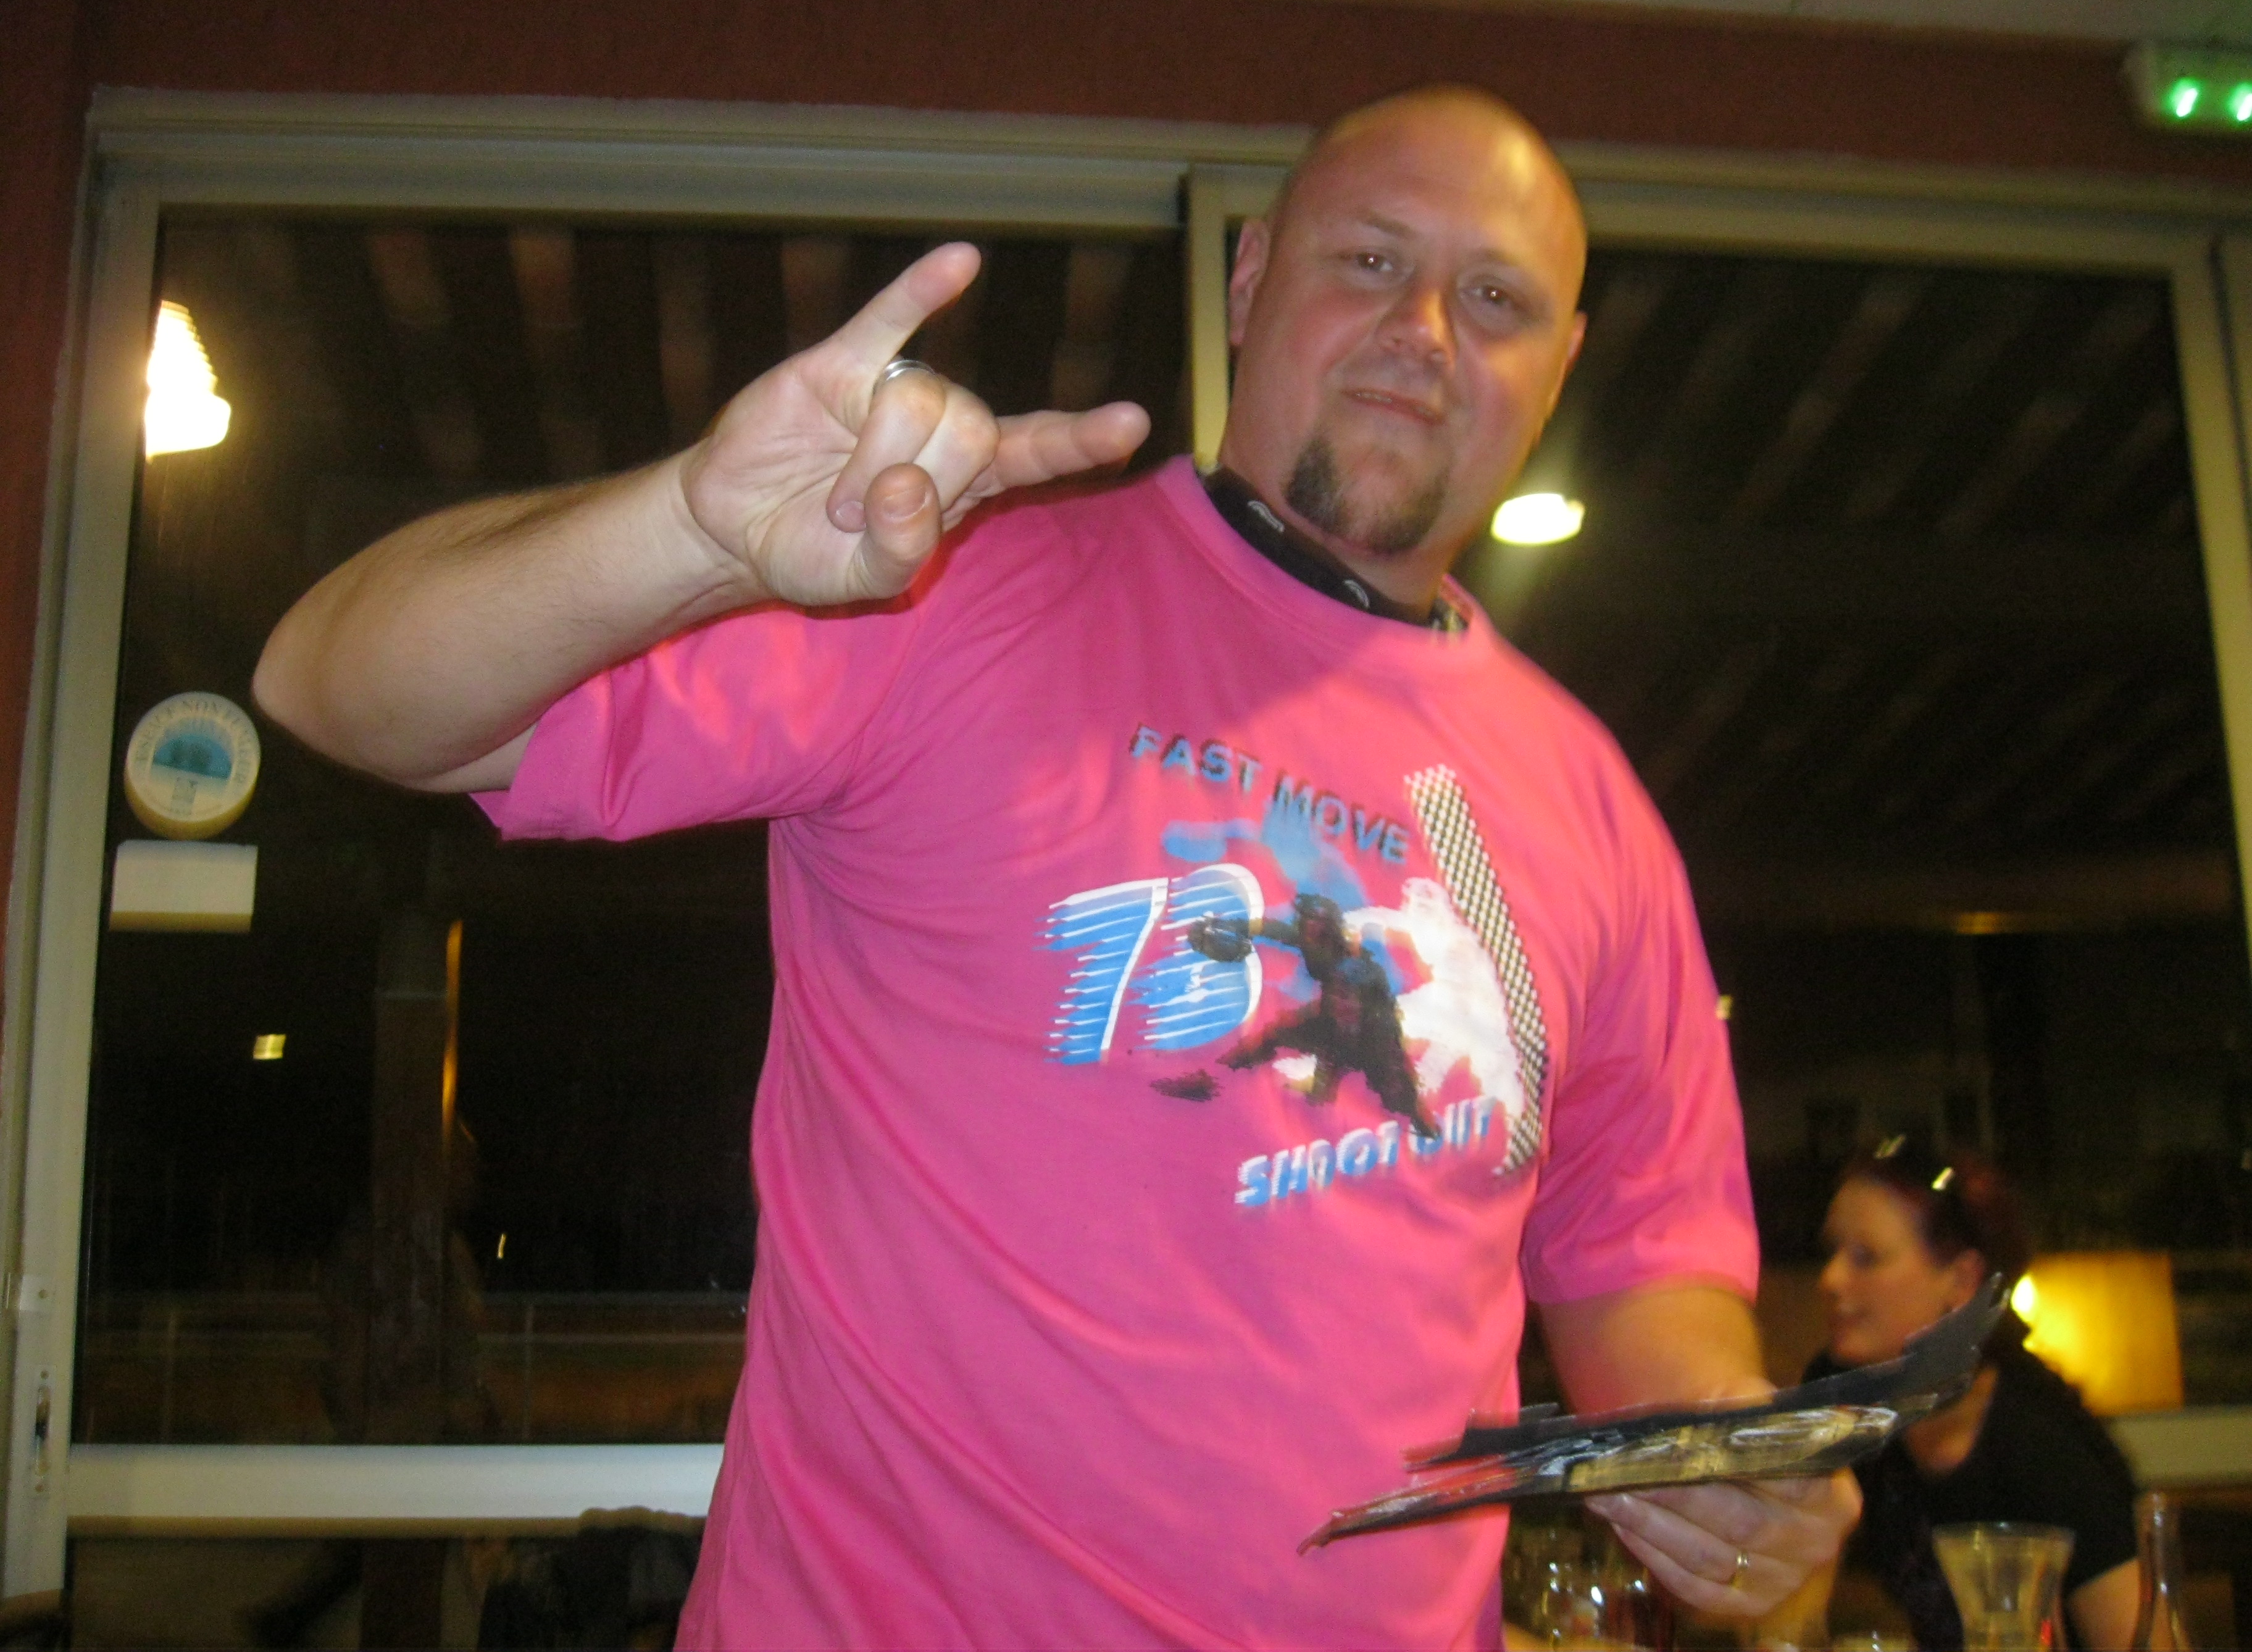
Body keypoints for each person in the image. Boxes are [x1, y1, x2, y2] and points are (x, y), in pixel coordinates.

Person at [254, 85, 1856, 1646]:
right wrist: (685, 525)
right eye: (1372, 259)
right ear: (1250, 281)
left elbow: (1639, 1255)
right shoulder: (934, 597)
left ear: (1557, 367)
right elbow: (339, 686)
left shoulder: (1584, 806)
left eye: (1494, 298)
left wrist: (1721, 1446)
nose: (1424, 332)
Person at [1801, 1136, 2153, 1650]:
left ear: (1962, 1281)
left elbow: (2146, 1639)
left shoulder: (2041, 1444)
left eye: (1866, 1257)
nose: (1830, 1280)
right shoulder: (1841, 1402)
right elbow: (1782, 1598)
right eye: (1831, 1252)